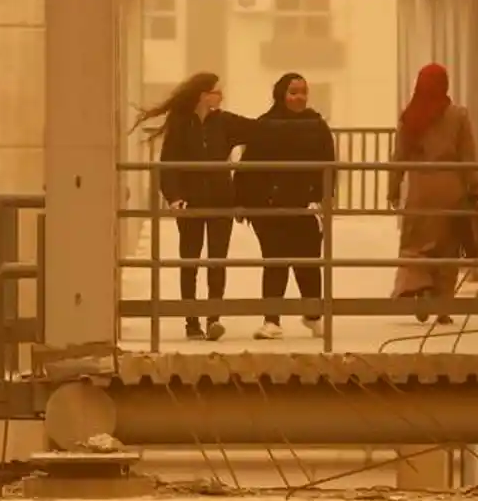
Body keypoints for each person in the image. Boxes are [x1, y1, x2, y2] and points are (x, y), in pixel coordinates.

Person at [134, 72, 255, 341]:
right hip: (190, 203)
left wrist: (243, 186)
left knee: (216, 261)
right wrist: (174, 197)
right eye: (216, 91)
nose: (220, 96)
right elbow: (168, 165)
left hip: (222, 201)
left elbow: (260, 131)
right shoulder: (180, 124)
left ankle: (213, 318)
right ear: (203, 95)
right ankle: (191, 321)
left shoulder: (225, 122)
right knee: (190, 261)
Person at [235, 73, 336, 341]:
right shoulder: (266, 125)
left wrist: (326, 196)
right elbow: (248, 166)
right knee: (275, 260)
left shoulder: (316, 125)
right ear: (281, 94)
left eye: (303, 91)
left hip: (304, 204)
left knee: (309, 261)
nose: (299, 97)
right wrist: (242, 202)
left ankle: (313, 316)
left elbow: (329, 163)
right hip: (270, 206)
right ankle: (271, 320)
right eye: (293, 92)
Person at [387, 63, 478, 324]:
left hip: (420, 190)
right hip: (451, 189)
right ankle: (443, 307)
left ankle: (419, 289)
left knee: (416, 245)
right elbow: (468, 157)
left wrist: (393, 188)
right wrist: (474, 189)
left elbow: (399, 158)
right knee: (447, 249)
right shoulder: (459, 116)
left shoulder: (410, 117)